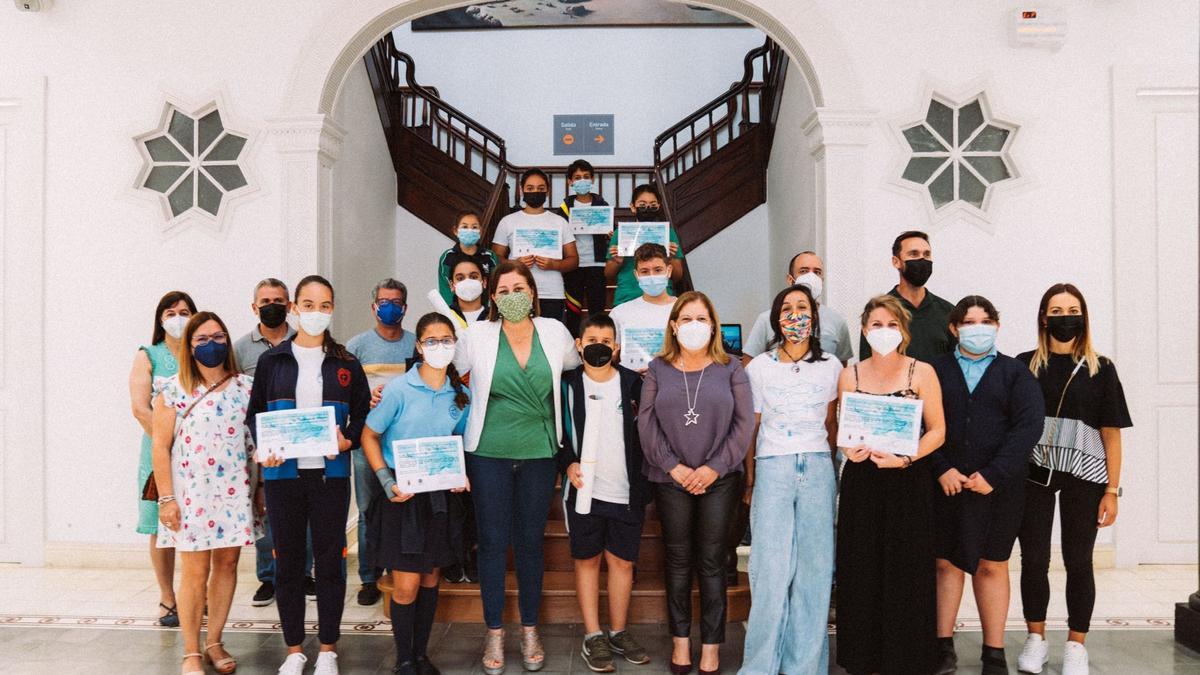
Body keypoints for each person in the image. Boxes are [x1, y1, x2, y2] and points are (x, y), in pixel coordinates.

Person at [452, 261, 582, 674]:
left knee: (529, 543)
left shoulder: (555, 332)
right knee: (491, 543)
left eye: (519, 288)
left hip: (540, 452)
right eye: (504, 290)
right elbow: (444, 377)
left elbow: (576, 382)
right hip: (488, 450)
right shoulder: (477, 335)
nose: (512, 296)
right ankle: (494, 630)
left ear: (532, 293)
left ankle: (529, 629)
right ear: (493, 297)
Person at [248, 275, 371, 675]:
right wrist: (264, 450)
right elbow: (255, 416)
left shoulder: (346, 362)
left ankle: (330, 648)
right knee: (288, 565)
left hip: (330, 478)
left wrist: (348, 441)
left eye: (325, 305)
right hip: (284, 479)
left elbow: (363, 414)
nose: (316, 312)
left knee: (331, 565)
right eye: (308, 304)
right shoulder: (272, 361)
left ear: (332, 310)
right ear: (294, 308)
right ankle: (294, 649)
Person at [1015, 284, 1131, 675]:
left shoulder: (1102, 368)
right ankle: (1035, 639)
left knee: (1079, 560)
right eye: (1057, 309)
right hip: (1034, 474)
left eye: (1073, 309)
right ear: (1044, 317)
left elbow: (1112, 433)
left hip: (1085, 476)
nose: (1065, 316)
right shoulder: (1024, 364)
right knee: (1033, 559)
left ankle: (1076, 645)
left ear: (1083, 317)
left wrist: (1112, 490)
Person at [927, 296, 1044, 675]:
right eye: (968, 321)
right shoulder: (934, 370)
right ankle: (943, 648)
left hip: (1000, 487)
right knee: (946, 564)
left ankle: (994, 651)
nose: (977, 328)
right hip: (946, 483)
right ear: (953, 328)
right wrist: (941, 467)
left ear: (996, 325)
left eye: (985, 320)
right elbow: (920, 422)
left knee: (992, 566)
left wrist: (994, 474)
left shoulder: (1015, 373)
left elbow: (1028, 427)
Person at [638, 291, 754, 675]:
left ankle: (711, 645)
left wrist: (714, 468)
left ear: (713, 325)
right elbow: (646, 422)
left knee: (712, 561)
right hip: (669, 477)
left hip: (719, 479)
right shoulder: (657, 367)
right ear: (674, 325)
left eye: (701, 319)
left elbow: (744, 424)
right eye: (686, 319)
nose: (693, 326)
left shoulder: (731, 367)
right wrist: (673, 466)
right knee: (677, 559)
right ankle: (680, 642)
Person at [835, 295, 946, 675]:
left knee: (907, 568)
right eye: (876, 325)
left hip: (907, 480)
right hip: (862, 483)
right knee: (861, 567)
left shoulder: (922, 372)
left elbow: (938, 432)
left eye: (892, 325)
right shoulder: (851, 374)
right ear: (865, 331)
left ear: (904, 332)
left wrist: (907, 457)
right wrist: (850, 450)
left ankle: (908, 656)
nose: (884, 332)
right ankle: (862, 656)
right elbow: (843, 428)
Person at [739, 284, 843, 675]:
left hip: (817, 466)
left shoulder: (833, 365)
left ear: (814, 317)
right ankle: (760, 665)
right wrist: (749, 480)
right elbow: (752, 427)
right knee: (769, 570)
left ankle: (803, 666)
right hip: (773, 467)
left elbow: (833, 425)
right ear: (776, 319)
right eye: (787, 308)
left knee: (815, 571)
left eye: (803, 307)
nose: (795, 315)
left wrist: (832, 471)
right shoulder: (759, 367)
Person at [361, 312, 471, 675]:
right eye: (432, 341)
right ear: (419, 346)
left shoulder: (461, 394)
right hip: (402, 495)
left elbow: (460, 442)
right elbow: (369, 435)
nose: (440, 347)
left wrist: (460, 474)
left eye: (447, 340)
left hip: (439, 497)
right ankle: (403, 658)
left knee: (429, 577)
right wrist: (385, 480)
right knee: (405, 584)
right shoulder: (397, 390)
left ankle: (422, 654)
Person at [151, 311, 260, 675]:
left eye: (218, 337)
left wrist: (259, 491)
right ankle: (191, 650)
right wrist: (167, 498)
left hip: (234, 492)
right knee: (195, 570)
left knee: (227, 564)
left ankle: (215, 641)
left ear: (228, 342)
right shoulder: (172, 388)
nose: (211, 344)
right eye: (202, 339)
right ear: (189, 345)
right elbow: (160, 447)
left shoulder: (246, 387)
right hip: (191, 495)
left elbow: (253, 445)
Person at [558, 314, 651, 672]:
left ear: (617, 347)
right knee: (587, 560)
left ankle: (618, 630)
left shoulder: (633, 384)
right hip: (583, 491)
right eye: (591, 338)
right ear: (579, 345)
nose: (599, 344)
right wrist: (567, 463)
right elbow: (557, 432)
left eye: (607, 340)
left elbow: (649, 431)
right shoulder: (567, 385)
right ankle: (593, 635)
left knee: (622, 562)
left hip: (627, 491)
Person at [347, 278, 418, 606]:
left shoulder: (416, 344)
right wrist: (368, 402)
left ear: (405, 307)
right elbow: (346, 395)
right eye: (384, 301)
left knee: (400, 507)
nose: (390, 307)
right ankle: (368, 577)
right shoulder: (356, 346)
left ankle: (396, 569)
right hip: (367, 440)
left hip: (404, 443)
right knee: (367, 510)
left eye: (396, 301)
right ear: (374, 305)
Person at [128, 290, 196, 628]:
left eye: (184, 311)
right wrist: (168, 440)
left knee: (197, 520)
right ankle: (168, 597)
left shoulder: (201, 352)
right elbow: (140, 408)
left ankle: (198, 594)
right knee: (161, 523)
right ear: (160, 319)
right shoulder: (148, 355)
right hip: (159, 450)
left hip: (199, 453)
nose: (178, 317)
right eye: (170, 312)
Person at [233, 278, 300, 607]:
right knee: (266, 509)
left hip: (301, 438)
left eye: (278, 299)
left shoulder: (306, 341)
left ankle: (305, 573)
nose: (271, 305)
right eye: (265, 300)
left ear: (290, 306)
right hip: (260, 440)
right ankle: (269, 577)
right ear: (254, 306)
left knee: (304, 508)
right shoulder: (242, 348)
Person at [491, 168, 580, 323]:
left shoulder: (559, 222)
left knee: (550, 343)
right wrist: (514, 264)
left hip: (552, 293)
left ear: (547, 191)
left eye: (540, 188)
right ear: (522, 189)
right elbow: (495, 257)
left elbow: (574, 260)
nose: (535, 192)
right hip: (516, 292)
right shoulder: (508, 221)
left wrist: (554, 264)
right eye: (530, 188)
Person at [859, 230, 956, 361]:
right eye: (914, 254)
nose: (922, 259)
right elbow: (867, 364)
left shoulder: (948, 311)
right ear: (896, 261)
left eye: (927, 255)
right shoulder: (880, 312)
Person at [743, 251, 854, 364]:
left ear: (822, 280)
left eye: (817, 272)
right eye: (804, 271)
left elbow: (841, 368)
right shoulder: (766, 319)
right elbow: (748, 366)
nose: (812, 276)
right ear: (790, 279)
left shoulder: (837, 321)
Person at [605, 184, 684, 308]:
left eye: (652, 205)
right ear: (632, 206)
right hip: (627, 297)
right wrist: (617, 261)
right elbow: (608, 274)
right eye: (642, 204)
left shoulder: (668, 233)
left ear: (658, 206)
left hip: (662, 297)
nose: (647, 208)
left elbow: (678, 276)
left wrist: (671, 258)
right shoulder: (620, 233)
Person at [559, 159, 612, 335]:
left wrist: (610, 234)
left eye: (586, 177)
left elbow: (610, 231)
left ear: (592, 179)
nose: (582, 180)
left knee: (597, 308)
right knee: (573, 308)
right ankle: (574, 343)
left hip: (597, 264)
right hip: (573, 265)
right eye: (577, 177)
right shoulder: (564, 208)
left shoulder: (602, 206)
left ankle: (598, 341)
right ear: (570, 182)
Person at [608, 242, 675, 337]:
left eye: (658, 270)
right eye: (644, 271)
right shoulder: (619, 313)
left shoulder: (684, 310)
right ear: (636, 275)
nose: (652, 276)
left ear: (669, 271)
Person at [437, 210, 499, 308]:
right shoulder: (447, 257)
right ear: (455, 231)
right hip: (457, 313)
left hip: (485, 312)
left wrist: (491, 311)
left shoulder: (489, 257)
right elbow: (445, 289)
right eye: (465, 227)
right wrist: (451, 313)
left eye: (474, 227)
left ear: (480, 231)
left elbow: (496, 285)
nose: (470, 230)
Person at [446, 255, 490, 326]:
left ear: (484, 282)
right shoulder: (445, 317)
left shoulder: (494, 316)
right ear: (452, 285)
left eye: (473, 277)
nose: (467, 281)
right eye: (460, 278)